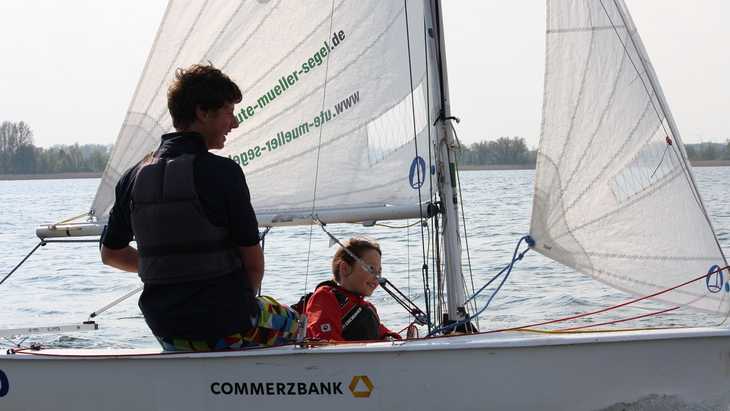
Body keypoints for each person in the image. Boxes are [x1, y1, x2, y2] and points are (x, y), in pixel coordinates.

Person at [100, 63, 298, 351]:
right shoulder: (223, 172)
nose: (236, 123)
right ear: (202, 112)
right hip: (227, 325)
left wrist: (166, 266)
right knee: (296, 322)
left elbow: (111, 254)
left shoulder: (132, 176)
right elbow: (253, 264)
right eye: (229, 113)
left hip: (166, 329)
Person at [304, 237, 401, 341]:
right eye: (371, 268)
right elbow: (326, 344)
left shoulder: (367, 307)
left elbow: (384, 333)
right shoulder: (325, 297)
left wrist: (391, 338)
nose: (377, 277)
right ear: (345, 268)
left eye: (379, 272)